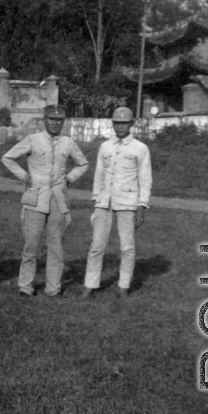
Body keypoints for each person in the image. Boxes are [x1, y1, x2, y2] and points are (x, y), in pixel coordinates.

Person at [1, 105, 88, 298]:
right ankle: (25, 287)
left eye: (59, 120)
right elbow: (8, 158)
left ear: (63, 122)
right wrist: (25, 177)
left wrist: (69, 178)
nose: (55, 123)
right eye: (51, 119)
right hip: (35, 198)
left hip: (58, 199)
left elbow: (83, 164)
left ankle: (53, 288)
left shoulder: (68, 143)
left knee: (56, 246)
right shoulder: (33, 140)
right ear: (44, 120)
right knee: (31, 246)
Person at [82, 107, 152, 299]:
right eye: (117, 123)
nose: (120, 127)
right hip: (104, 201)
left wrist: (141, 206)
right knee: (97, 246)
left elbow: (145, 179)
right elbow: (99, 174)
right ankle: (90, 284)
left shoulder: (140, 148)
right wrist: (96, 200)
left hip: (128, 202)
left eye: (124, 123)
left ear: (131, 124)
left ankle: (123, 286)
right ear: (112, 124)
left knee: (127, 247)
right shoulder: (105, 147)